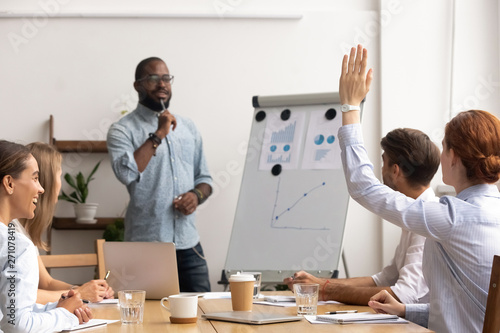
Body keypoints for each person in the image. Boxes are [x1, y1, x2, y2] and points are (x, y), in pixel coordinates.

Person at [338, 45, 500, 332]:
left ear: (454, 157)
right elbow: (465, 313)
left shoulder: (451, 218)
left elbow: (363, 187)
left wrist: (350, 107)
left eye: (445, 145)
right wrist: (403, 310)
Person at [285, 127, 440, 305]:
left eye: (384, 163)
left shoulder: (427, 220)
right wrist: (318, 284)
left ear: (395, 171)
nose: (381, 170)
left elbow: (404, 295)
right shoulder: (417, 214)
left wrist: (326, 290)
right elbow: (385, 279)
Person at [107, 57, 213, 292]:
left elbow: (205, 179)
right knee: (144, 322)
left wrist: (195, 196)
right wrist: (159, 133)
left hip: (189, 246)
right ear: (138, 85)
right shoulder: (122, 129)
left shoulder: (188, 127)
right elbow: (125, 173)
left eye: (166, 78)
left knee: (201, 318)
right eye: (153, 78)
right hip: (146, 248)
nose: (162, 84)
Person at [0, 140, 92, 332]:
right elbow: (18, 326)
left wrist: (58, 308)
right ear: (9, 183)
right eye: (34, 178)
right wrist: (65, 315)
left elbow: (8, 312)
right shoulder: (16, 245)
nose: (41, 189)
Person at [14, 142, 114, 303]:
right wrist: (80, 293)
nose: (60, 184)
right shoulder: (11, 233)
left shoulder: (22, 230)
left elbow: (46, 282)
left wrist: (86, 290)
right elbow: (16, 296)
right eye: (59, 175)